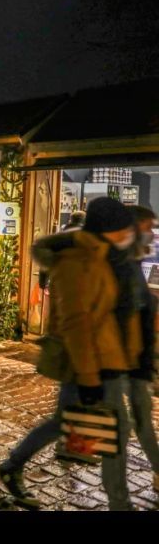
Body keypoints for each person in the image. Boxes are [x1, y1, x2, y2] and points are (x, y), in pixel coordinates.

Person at [0, 197, 142, 510]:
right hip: (81, 363)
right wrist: (90, 377)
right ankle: (14, 465)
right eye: (123, 228)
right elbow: (77, 326)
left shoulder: (102, 256)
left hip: (101, 360)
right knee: (69, 422)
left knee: (80, 422)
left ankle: (71, 450)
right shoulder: (77, 262)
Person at [126, 205, 159, 492]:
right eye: (149, 227)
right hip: (121, 363)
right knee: (134, 424)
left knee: (142, 421)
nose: (152, 234)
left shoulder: (133, 261)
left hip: (136, 363)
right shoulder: (121, 263)